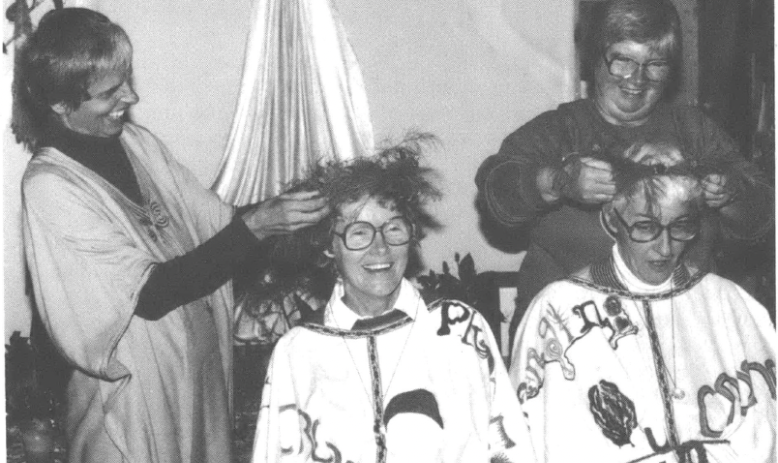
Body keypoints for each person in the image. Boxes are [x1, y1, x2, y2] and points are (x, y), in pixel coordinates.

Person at [18, 8, 329, 462]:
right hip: (132, 408)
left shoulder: (137, 143)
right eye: (110, 92)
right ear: (62, 105)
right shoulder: (50, 186)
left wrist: (294, 212)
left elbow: (219, 225)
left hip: (197, 386)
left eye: (127, 78)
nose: (131, 95)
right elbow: (148, 293)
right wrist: (259, 225)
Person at [474, 0, 773, 345]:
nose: (637, 78)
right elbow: (495, 193)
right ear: (594, 59)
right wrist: (557, 181)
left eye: (655, 64)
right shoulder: (561, 129)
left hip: (682, 336)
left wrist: (726, 191)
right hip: (571, 340)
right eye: (623, 60)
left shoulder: (695, 131)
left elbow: (763, 215)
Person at [250, 136, 536, 463]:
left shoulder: (458, 330)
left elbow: (510, 447)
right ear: (329, 246)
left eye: (394, 229)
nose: (381, 248)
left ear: (411, 234)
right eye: (359, 232)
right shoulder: (298, 351)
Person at [508, 140, 776, 462]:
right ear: (611, 222)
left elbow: (766, 427)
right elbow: (532, 439)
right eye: (645, 227)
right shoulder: (556, 309)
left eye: (681, 226)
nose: (665, 248)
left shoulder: (725, 301)